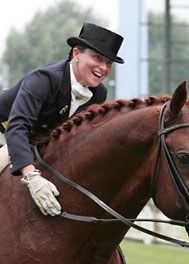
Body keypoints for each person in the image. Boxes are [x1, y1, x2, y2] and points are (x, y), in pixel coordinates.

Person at [0, 22, 124, 216]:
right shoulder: (43, 80)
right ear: (76, 53)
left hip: (37, 141)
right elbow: (17, 128)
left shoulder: (99, 93)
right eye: (97, 58)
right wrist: (32, 177)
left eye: (108, 63)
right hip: (6, 130)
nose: (103, 67)